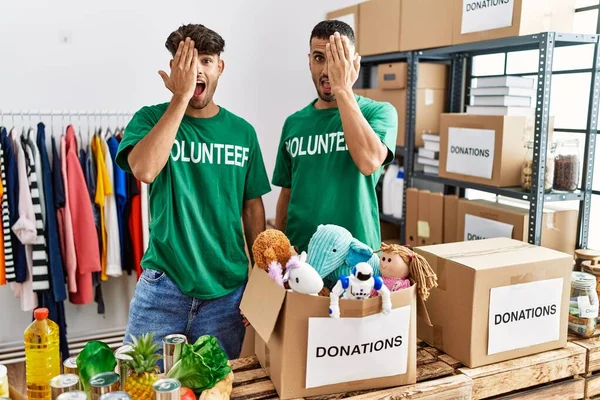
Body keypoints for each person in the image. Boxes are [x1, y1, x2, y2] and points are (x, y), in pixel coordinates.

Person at [115, 23, 271, 360]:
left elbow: (252, 207)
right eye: (187, 61)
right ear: (173, 69)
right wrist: (181, 96)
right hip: (162, 288)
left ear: (220, 68)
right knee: (140, 385)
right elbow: (144, 169)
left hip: (227, 291)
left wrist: (259, 277)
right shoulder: (150, 119)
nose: (197, 69)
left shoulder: (243, 132)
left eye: (206, 60)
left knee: (215, 388)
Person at [272, 20, 398, 253]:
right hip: (301, 256)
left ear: (354, 63)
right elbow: (287, 193)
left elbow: (369, 162)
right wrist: (280, 250)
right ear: (309, 61)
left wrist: (343, 89)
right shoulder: (294, 123)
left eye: (338, 59)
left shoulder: (379, 112)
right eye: (320, 58)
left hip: (356, 257)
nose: (328, 69)